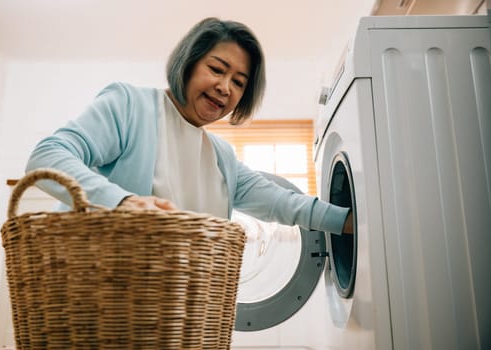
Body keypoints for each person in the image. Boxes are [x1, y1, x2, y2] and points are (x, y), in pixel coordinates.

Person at [26, 17, 353, 235]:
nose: (226, 87)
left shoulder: (222, 159)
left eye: (239, 82)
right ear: (188, 62)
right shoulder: (129, 106)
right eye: (216, 68)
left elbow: (285, 204)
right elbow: (46, 157)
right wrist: (123, 202)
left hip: (177, 318)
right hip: (99, 301)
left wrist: (352, 223)